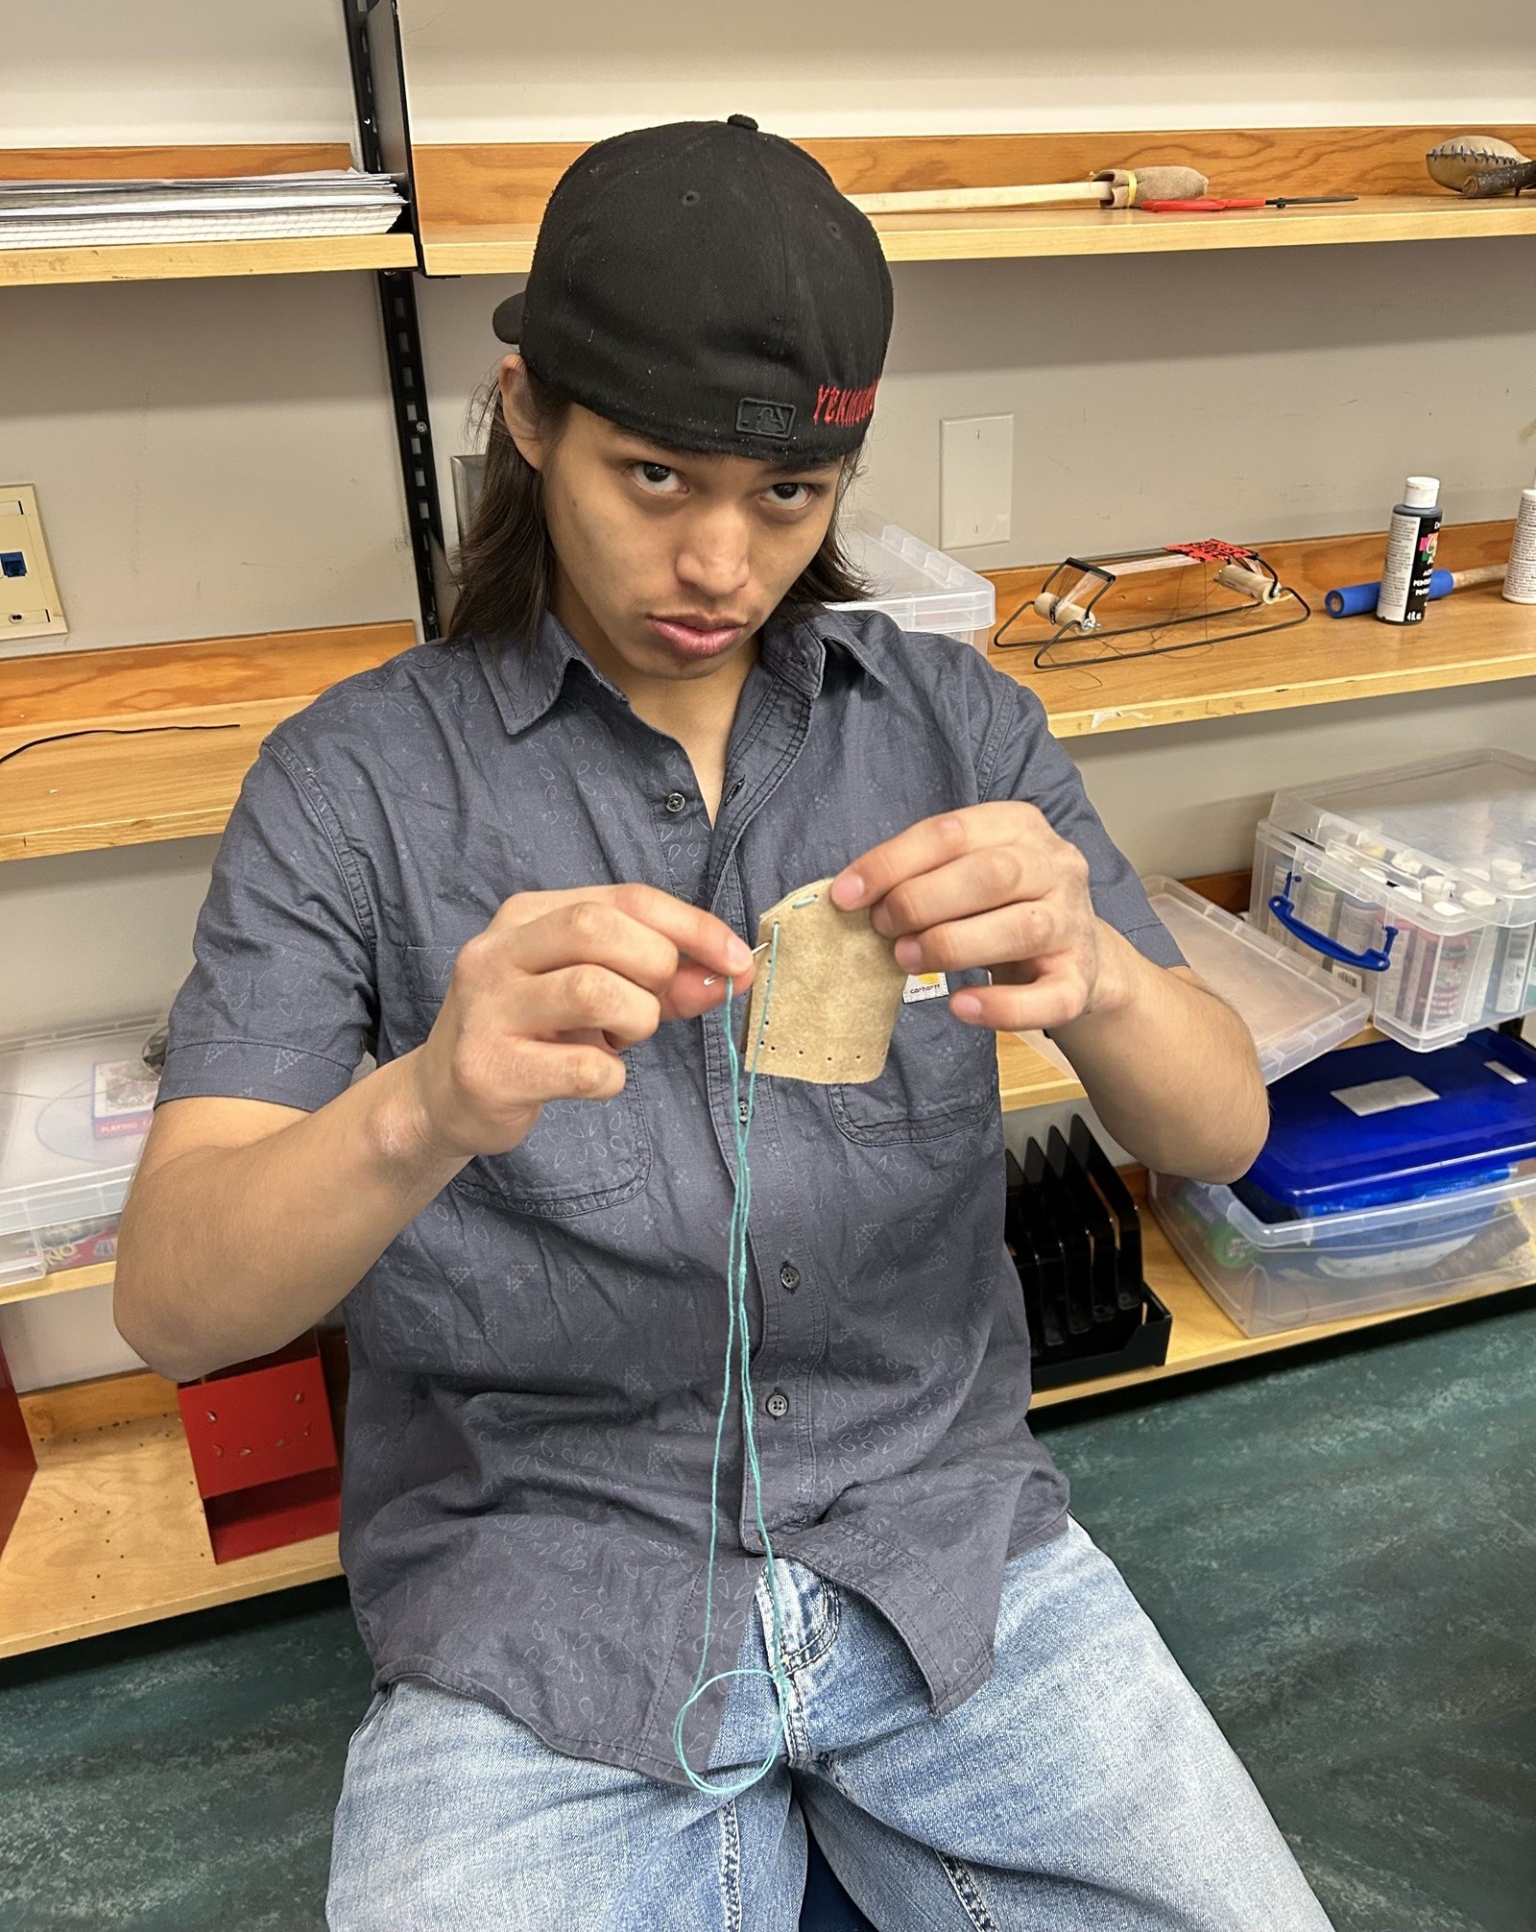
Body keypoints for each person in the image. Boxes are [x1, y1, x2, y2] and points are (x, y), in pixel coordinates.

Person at [116, 115, 1333, 1932]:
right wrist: (424, 1102)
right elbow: (173, 1297)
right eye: (657, 477)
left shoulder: (953, 729)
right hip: (548, 1606)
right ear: (528, 414)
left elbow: (1222, 1133)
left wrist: (1102, 976)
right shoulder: (354, 786)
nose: (722, 564)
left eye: (788, 499)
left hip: (946, 1558)